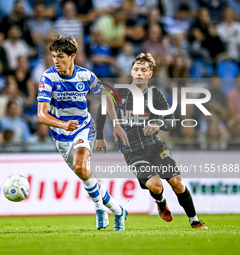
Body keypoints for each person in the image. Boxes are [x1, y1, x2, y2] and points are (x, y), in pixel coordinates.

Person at [95, 53, 208, 229]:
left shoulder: (155, 95)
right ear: (131, 72)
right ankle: (161, 202)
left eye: (143, 70)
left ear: (150, 74)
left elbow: (171, 121)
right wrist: (100, 137)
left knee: (177, 183)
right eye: (136, 69)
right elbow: (102, 108)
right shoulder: (119, 93)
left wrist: (158, 123)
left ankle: (194, 220)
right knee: (155, 186)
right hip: (132, 150)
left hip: (154, 146)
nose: (139, 73)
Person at [37, 34, 128, 231]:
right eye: (54, 56)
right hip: (60, 134)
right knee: (84, 173)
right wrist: (62, 124)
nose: (56, 60)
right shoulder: (48, 77)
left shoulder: (86, 76)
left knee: (80, 166)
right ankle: (117, 209)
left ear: (72, 56)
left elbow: (106, 95)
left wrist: (116, 124)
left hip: (83, 128)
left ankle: (99, 210)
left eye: (60, 56)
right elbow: (41, 115)